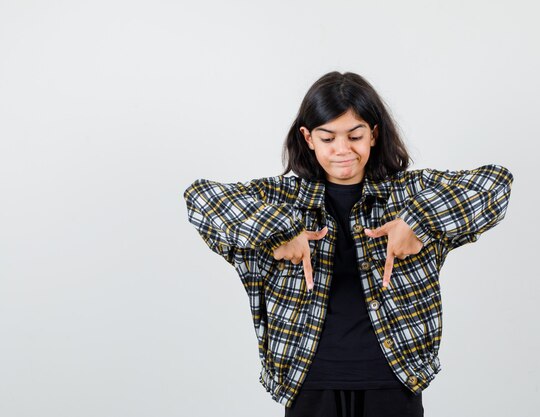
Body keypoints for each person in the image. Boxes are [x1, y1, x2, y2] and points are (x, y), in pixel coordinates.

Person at [183, 71, 514, 417]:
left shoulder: (406, 194)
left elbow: (495, 184)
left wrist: (417, 221)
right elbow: (200, 198)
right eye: (328, 138)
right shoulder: (281, 199)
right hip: (308, 381)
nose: (343, 150)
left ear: (373, 134)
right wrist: (281, 230)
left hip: (394, 378)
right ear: (308, 138)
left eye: (355, 136)